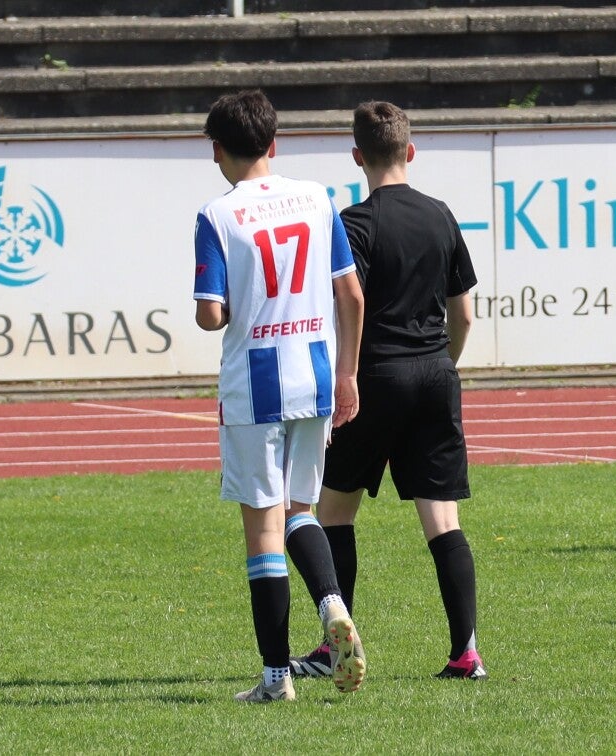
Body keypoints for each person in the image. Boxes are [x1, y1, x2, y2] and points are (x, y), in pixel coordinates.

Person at [287, 101, 488, 681]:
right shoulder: (442, 214)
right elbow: (464, 314)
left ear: (357, 157)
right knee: (443, 520)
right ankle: (466, 653)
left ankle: (333, 645)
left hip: (375, 378)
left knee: (334, 510)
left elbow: (346, 307)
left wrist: (344, 375)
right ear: (411, 151)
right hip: (435, 375)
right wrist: (442, 365)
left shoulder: (353, 223)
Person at [191, 89, 368, 702]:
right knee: (301, 511)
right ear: (274, 143)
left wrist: (224, 306)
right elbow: (351, 295)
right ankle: (332, 602)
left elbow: (211, 314)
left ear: (218, 150)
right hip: (315, 374)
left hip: (255, 384)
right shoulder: (318, 198)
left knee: (262, 530)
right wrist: (347, 374)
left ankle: (275, 679)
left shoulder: (216, 215)